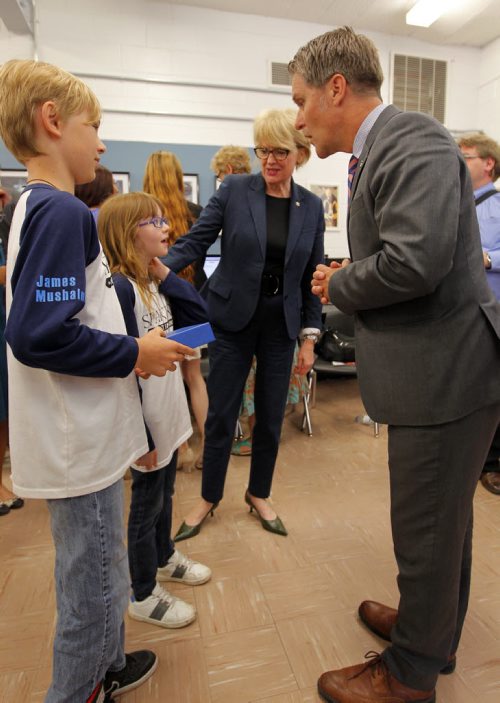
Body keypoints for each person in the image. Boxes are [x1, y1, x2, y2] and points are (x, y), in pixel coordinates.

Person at [289, 26, 500, 703]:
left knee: (427, 530)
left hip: (445, 376)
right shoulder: (385, 147)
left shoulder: (413, 140)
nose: (298, 119)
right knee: (443, 525)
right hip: (438, 370)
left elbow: (415, 260)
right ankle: (428, 632)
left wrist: (339, 285)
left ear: (337, 88)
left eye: (301, 101)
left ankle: (409, 675)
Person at [0, 58, 194, 702]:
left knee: (103, 565)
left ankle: (107, 664)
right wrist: (134, 353)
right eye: (95, 125)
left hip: (81, 435)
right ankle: (79, 688)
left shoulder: (38, 207)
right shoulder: (61, 213)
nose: (103, 142)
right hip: (74, 443)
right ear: (52, 122)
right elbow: (37, 334)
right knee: (92, 586)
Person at [165, 107, 324, 540]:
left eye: (281, 150)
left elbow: (312, 276)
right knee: (220, 416)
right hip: (232, 323)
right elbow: (196, 241)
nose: (271, 159)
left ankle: (259, 493)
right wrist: (155, 269)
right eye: (264, 149)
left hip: (280, 329)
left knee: (271, 418)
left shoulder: (309, 207)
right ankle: (208, 498)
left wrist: (309, 339)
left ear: (301, 153)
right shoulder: (235, 190)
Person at [98, 191, 212, 630]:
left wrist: (164, 272)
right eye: (154, 221)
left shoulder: (150, 281)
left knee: (165, 495)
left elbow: (199, 316)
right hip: (146, 425)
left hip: (167, 417)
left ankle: (163, 557)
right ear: (129, 234)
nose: (167, 227)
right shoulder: (123, 290)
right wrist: (141, 437)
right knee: (145, 507)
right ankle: (142, 592)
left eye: (164, 220)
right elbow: (124, 371)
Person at [144, 151, 209, 471]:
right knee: (195, 378)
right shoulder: (195, 213)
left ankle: (180, 446)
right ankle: (208, 444)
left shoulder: (144, 216)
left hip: (156, 310)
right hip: (190, 301)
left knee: (166, 381)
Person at [458, 133, 500, 495]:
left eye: (466, 157)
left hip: (493, 315)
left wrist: (489, 258)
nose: (459, 163)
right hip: (459, 315)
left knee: (493, 390)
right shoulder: (453, 203)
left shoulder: (498, 208)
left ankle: (491, 463)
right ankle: (469, 457)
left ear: (488, 163)